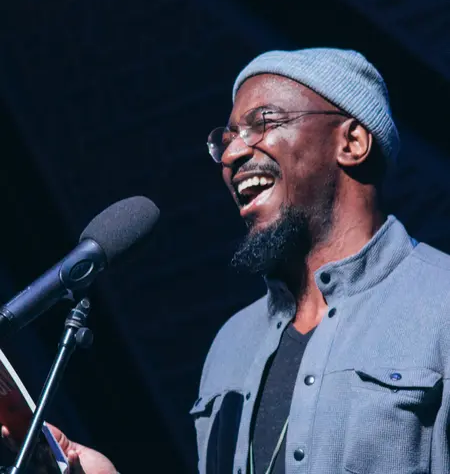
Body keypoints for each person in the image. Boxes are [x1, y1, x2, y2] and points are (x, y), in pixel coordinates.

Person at [4, 47, 450, 473]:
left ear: (351, 141)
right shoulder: (231, 346)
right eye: (229, 137)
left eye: (264, 122)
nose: (233, 154)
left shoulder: (440, 305)